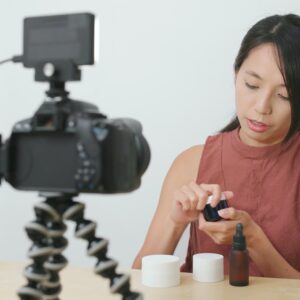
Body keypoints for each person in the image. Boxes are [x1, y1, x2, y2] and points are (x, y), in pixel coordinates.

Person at [132, 14, 300, 279]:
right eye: (252, 85)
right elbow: (137, 279)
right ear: (236, 75)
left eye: (284, 96)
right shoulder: (192, 162)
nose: (261, 107)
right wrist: (176, 223)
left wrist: (253, 239)